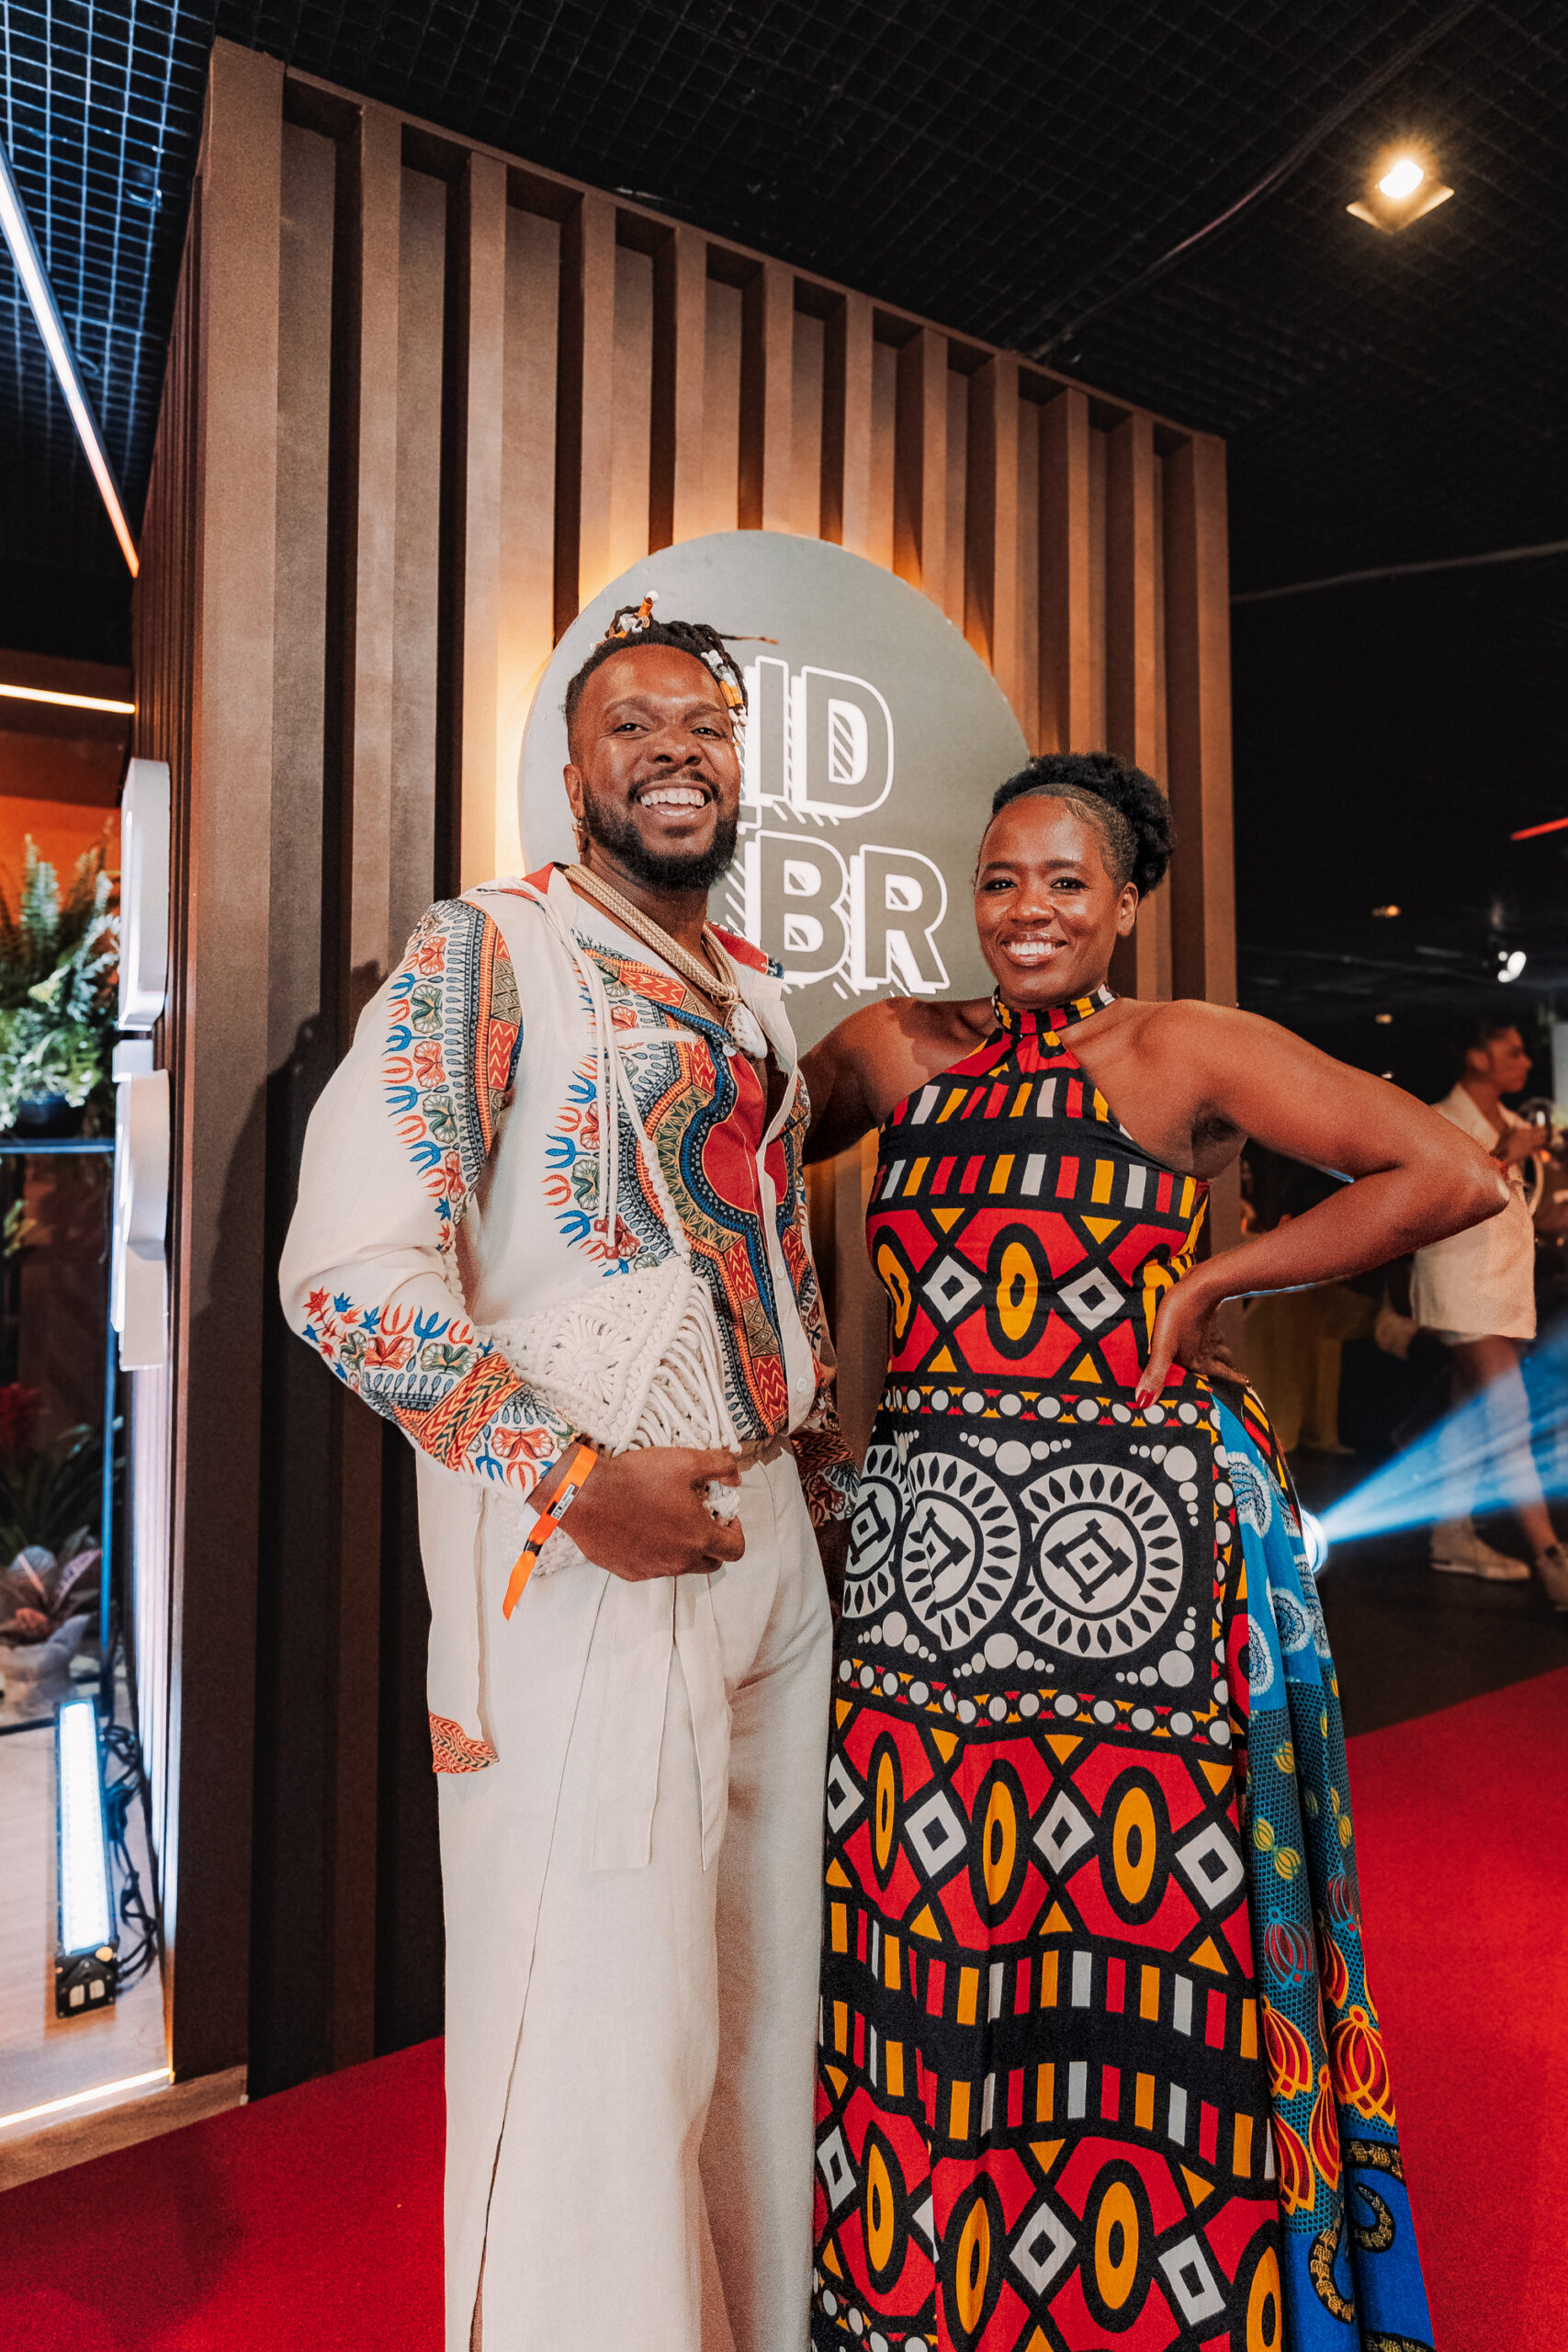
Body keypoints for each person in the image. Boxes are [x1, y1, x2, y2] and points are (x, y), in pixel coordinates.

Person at [800, 752, 1498, 2352]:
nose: (1025, 911)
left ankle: (1152, 2308)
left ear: (1123, 905)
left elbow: (1447, 1174)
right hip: (929, 1572)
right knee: (934, 1922)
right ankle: (936, 2295)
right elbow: (737, 1154)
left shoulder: (1181, 1048)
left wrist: (1215, 1282)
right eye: (999, 881)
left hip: (1144, 1574)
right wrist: (809, 1411)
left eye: (1065, 883)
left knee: (1135, 1943)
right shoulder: (895, 1046)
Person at [281, 600, 855, 2351]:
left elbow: (749, 1228)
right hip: (590, 1553)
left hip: (763, 1541)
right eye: (633, 726)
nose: (675, 750)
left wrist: (808, 1430)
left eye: (706, 726)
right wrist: (564, 1473)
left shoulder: (749, 982)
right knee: (597, 2026)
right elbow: (346, 1277)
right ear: (574, 767)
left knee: (757, 2007)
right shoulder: (493, 949)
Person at [1410, 1020, 1568, 1601]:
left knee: (1469, 1411)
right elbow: (1438, 1200)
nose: (1526, 1062)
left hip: (1503, 1287)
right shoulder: (1441, 1119)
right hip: (1460, 1285)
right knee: (1509, 1414)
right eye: (1514, 1052)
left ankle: (1450, 1535)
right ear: (1478, 1058)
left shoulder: (1515, 1124)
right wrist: (1505, 1154)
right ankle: (1551, 1557)